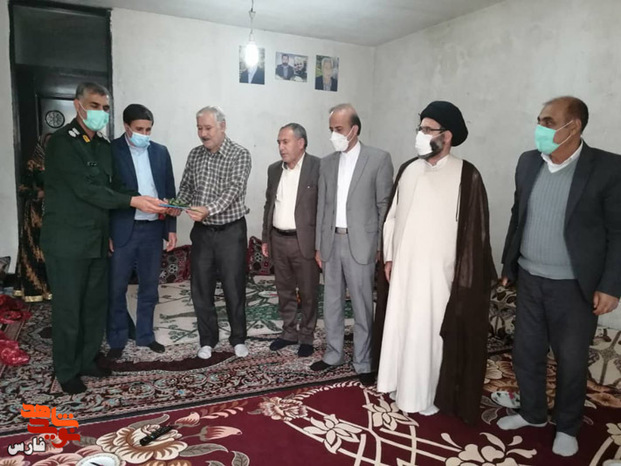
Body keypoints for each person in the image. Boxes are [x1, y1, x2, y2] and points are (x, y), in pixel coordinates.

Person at [498, 96, 621, 456]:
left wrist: (611, 286)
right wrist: (508, 265)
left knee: (570, 360)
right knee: (526, 352)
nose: (540, 128)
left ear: (574, 126)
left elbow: (618, 232)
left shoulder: (607, 168)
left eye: (548, 122)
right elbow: (518, 215)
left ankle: (567, 426)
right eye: (539, 121)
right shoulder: (528, 162)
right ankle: (533, 413)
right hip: (530, 278)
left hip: (574, 286)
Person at [40, 82, 165, 394]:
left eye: (105, 108)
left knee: (94, 305)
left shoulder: (101, 145)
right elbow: (88, 190)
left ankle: (86, 360)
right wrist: (133, 201)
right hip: (68, 242)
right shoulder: (62, 143)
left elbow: (114, 187)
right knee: (69, 308)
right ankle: (67, 369)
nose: (101, 113)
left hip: (96, 240)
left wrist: (143, 199)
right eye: (95, 106)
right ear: (78, 105)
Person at [377, 101, 496, 422]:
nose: (420, 135)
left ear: (448, 136)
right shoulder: (408, 169)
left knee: (427, 334)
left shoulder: (467, 174)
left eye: (428, 129)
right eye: (420, 128)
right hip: (403, 271)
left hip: (438, 278)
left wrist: (464, 277)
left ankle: (425, 394)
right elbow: (392, 217)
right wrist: (389, 257)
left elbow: (476, 233)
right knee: (402, 327)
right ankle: (397, 383)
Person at [311, 103, 393, 385]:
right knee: (332, 302)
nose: (333, 134)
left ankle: (364, 360)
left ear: (354, 129)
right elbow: (322, 206)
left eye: (339, 129)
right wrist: (319, 245)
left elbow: (384, 207)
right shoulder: (326, 163)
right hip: (331, 242)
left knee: (361, 304)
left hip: (362, 243)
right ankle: (333, 354)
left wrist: (382, 246)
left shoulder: (378, 159)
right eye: (331, 129)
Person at [176, 106, 251, 360]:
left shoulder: (240, 154)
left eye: (208, 128)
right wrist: (175, 205)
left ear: (222, 126)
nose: (203, 133)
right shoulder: (195, 155)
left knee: (233, 286)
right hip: (202, 233)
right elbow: (186, 188)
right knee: (201, 287)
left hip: (231, 231)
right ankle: (207, 340)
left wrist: (208, 209)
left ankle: (238, 338)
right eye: (199, 128)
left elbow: (234, 190)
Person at [106, 104, 177, 360]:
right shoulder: (111, 151)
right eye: (139, 129)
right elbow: (105, 194)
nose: (144, 134)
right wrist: (106, 232)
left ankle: (145, 335)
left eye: (148, 130)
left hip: (153, 229)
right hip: (123, 229)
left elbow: (169, 191)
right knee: (116, 287)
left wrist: (170, 228)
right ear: (126, 126)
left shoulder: (160, 152)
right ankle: (117, 337)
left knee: (149, 287)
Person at [261, 123, 320, 357]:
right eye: (279, 142)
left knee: (308, 291)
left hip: (304, 241)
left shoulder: (318, 167)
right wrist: (266, 238)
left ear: (301, 143)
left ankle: (306, 335)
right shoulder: (274, 170)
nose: (281, 147)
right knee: (284, 290)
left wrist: (321, 245)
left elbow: (325, 208)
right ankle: (288, 332)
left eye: (285, 142)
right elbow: (269, 205)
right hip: (278, 238)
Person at [15, 133, 53, 302]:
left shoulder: (60, 162)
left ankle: (52, 288)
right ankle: (35, 289)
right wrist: (38, 194)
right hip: (35, 215)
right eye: (48, 143)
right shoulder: (32, 164)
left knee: (53, 250)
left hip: (55, 212)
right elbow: (22, 189)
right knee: (34, 249)